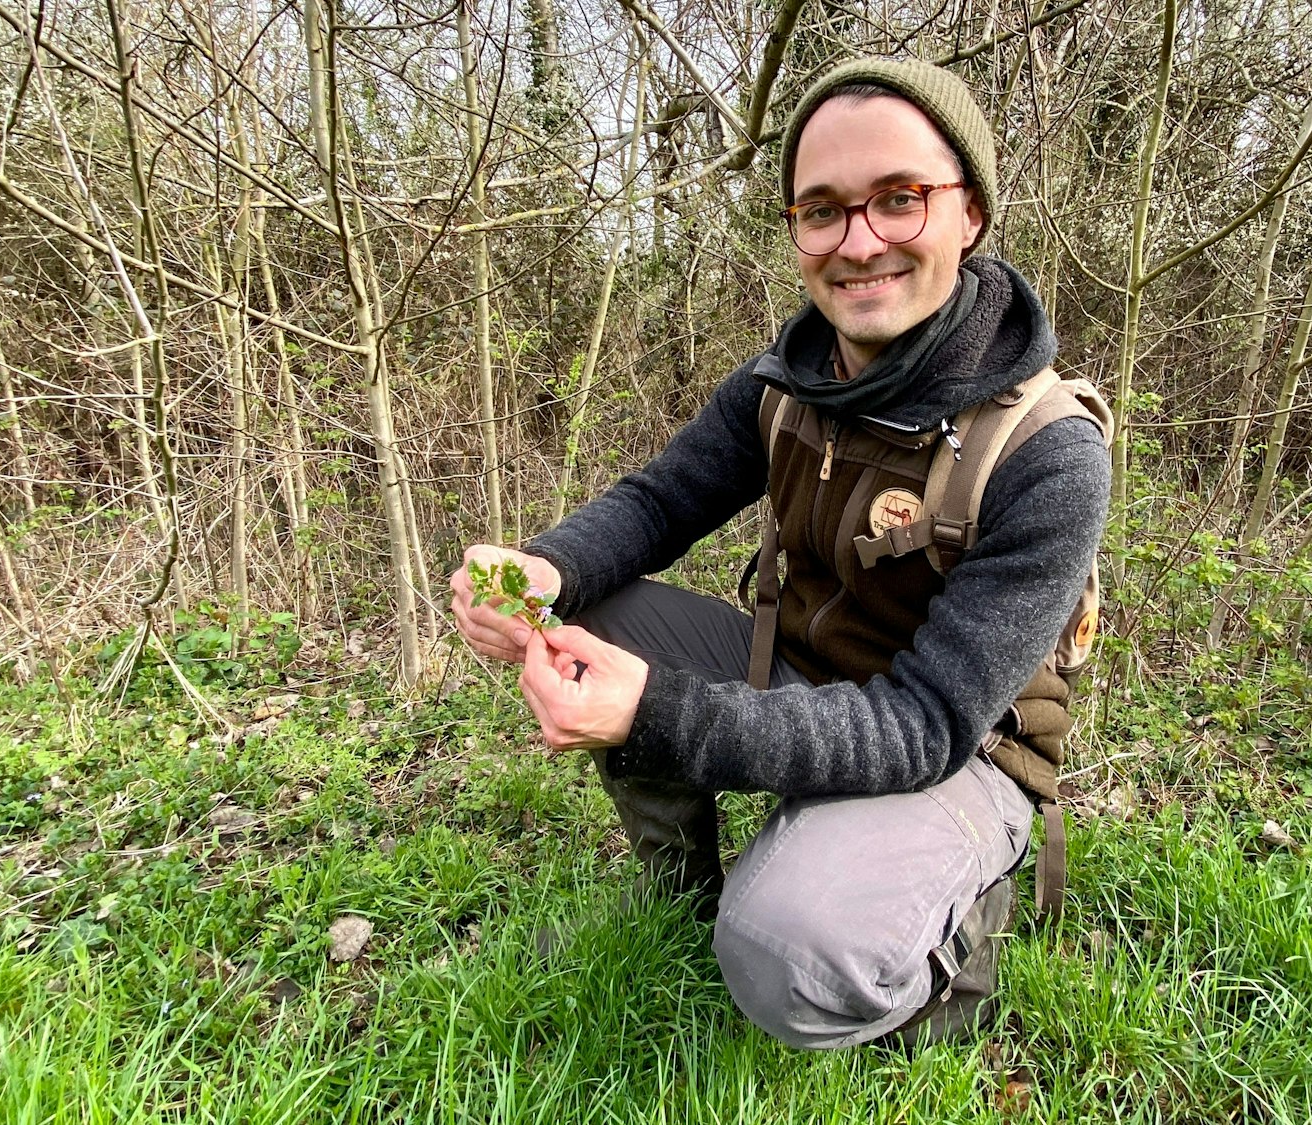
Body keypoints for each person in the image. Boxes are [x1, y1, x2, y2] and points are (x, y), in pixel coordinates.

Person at [448, 57, 1110, 1049]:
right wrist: (544, 573)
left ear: (966, 212)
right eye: (821, 210)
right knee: (588, 617)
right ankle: (682, 896)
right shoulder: (788, 380)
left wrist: (656, 711)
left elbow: (925, 723)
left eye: (898, 201)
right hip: (810, 677)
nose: (857, 243)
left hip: (956, 750)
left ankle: (943, 955)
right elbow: (660, 500)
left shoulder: (1046, 451)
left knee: (783, 952)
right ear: (796, 229)